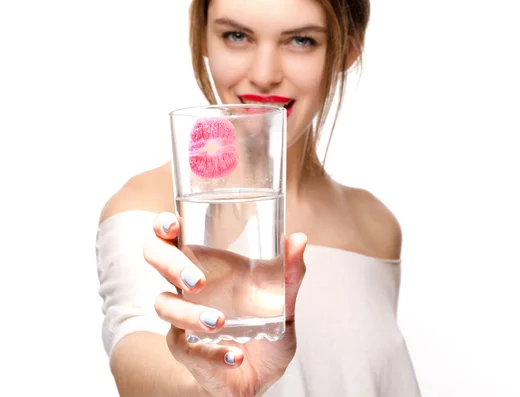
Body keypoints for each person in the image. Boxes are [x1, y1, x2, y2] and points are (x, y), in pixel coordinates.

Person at [95, 0, 421, 396]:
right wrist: (209, 384)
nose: (264, 75)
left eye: (301, 40)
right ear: (203, 38)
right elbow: (137, 358)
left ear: (348, 48)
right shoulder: (151, 209)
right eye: (236, 36)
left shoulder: (375, 226)